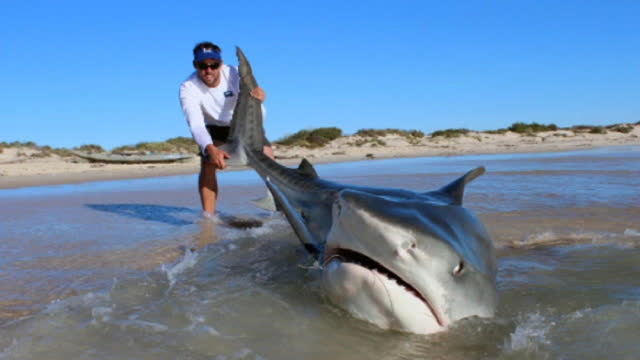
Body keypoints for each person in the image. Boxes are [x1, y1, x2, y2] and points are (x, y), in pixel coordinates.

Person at [179, 41, 274, 217]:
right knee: (208, 163)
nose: (209, 70)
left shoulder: (234, 73)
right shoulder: (188, 87)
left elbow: (255, 103)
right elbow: (196, 124)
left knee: (268, 156)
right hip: (215, 128)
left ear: (220, 64)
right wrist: (210, 149)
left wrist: (261, 96)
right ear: (195, 65)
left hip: (243, 124)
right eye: (203, 66)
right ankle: (209, 217)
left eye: (213, 65)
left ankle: (280, 206)